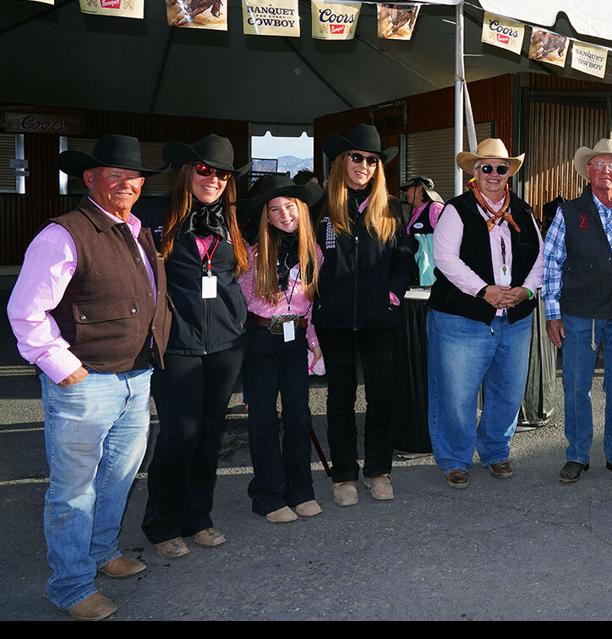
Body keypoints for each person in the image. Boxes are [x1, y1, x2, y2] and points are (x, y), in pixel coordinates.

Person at [7, 134, 170, 621]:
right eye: (114, 175)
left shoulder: (138, 230)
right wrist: (65, 367)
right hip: (87, 381)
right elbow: (27, 312)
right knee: (73, 489)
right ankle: (72, 585)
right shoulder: (63, 233)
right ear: (90, 179)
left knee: (118, 477)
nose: (126, 183)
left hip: (135, 377)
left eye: (133, 176)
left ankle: (103, 554)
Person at [142, 134, 250, 560]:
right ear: (188, 172)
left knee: (210, 434)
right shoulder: (153, 218)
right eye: (205, 169)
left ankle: (198, 516)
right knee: (179, 435)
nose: (214, 179)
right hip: (179, 346)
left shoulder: (234, 222)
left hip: (225, 346)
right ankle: (163, 522)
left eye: (222, 173)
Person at [427, 139, 544, 488]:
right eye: (486, 167)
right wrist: (484, 290)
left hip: (514, 317)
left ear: (509, 173)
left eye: (500, 168)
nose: (494, 174)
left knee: (508, 391)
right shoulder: (457, 209)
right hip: (462, 318)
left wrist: (525, 290)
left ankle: (495, 450)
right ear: (475, 173)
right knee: (456, 393)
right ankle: (455, 459)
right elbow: (445, 258)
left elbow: (540, 259)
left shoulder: (523, 212)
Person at [314, 123, 414, 506]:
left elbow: (405, 262)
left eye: (372, 160)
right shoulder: (319, 207)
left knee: (381, 396)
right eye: (357, 157)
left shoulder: (390, 210)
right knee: (339, 399)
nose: (365, 166)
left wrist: (391, 295)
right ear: (342, 161)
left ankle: (378, 470)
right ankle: (343, 476)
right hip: (334, 321)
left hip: (380, 321)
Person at [543, 138, 612, 485]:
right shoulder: (568, 212)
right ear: (588, 171)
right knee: (577, 386)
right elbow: (551, 263)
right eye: (599, 164)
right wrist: (552, 313)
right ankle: (577, 454)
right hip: (580, 314)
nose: (606, 170)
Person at [238, 174, 325, 523]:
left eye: (290, 206)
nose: (284, 214)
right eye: (275, 209)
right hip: (261, 339)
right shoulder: (252, 252)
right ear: (267, 217)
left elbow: (313, 305)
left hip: (296, 340)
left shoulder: (313, 251)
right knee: (262, 417)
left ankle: (301, 490)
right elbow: (242, 299)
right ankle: (268, 495)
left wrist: (315, 343)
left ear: (301, 209)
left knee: (298, 414)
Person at [403, 174, 446, 286]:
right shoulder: (414, 212)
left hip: (432, 276)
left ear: (420, 190)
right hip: (415, 274)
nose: (406, 193)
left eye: (408, 189)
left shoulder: (435, 208)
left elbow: (447, 240)